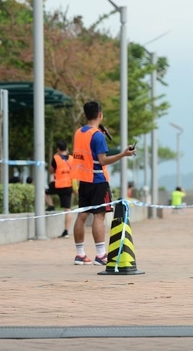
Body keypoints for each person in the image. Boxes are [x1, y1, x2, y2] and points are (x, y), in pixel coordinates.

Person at [71, 101, 136, 266]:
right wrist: (123, 154)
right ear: (100, 114)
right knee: (99, 216)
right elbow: (102, 160)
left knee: (82, 215)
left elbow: (90, 153)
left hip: (84, 179)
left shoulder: (79, 132)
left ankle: (80, 254)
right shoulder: (98, 136)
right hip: (98, 180)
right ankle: (100, 255)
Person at [45, 139, 75, 239]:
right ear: (66, 148)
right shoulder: (72, 158)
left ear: (58, 149)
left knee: (45, 191)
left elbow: (51, 170)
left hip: (58, 184)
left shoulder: (56, 158)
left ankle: (51, 206)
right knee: (68, 209)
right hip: (68, 186)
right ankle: (66, 231)